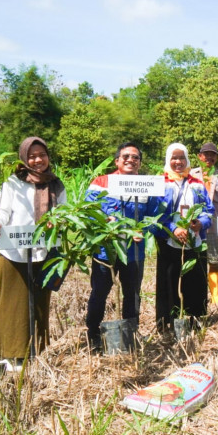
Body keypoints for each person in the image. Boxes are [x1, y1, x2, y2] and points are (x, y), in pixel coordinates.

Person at [0, 136, 67, 374]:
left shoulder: (56, 184)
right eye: (32, 155)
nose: (38, 159)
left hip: (44, 251)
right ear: (24, 158)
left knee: (40, 303)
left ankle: (35, 352)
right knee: (12, 304)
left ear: (48, 157)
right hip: (14, 251)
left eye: (42, 154)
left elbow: (64, 213)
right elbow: (2, 210)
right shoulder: (13, 182)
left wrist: (57, 223)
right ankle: (11, 355)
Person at [85, 142, 163, 349]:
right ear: (117, 160)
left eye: (135, 157)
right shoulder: (101, 182)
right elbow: (88, 211)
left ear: (140, 162)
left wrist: (144, 230)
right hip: (105, 250)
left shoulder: (148, 186)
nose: (131, 160)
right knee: (99, 293)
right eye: (126, 156)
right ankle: (93, 335)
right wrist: (104, 221)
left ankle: (130, 335)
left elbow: (156, 217)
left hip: (134, 252)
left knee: (132, 295)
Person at [156, 143, 214, 333]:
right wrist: (172, 228)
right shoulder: (160, 182)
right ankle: (167, 323)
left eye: (181, 158)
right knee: (169, 281)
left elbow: (208, 210)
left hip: (194, 241)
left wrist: (201, 223)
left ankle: (195, 321)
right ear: (167, 160)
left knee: (195, 280)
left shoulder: (196, 184)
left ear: (187, 159)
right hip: (168, 241)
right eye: (174, 158)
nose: (178, 162)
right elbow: (154, 213)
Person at [190, 142, 218, 305]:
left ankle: (215, 296)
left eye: (212, 154)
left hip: (215, 228)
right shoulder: (191, 175)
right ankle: (197, 296)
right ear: (200, 157)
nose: (209, 157)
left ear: (217, 157)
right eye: (206, 154)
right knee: (195, 263)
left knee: (214, 262)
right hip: (194, 227)